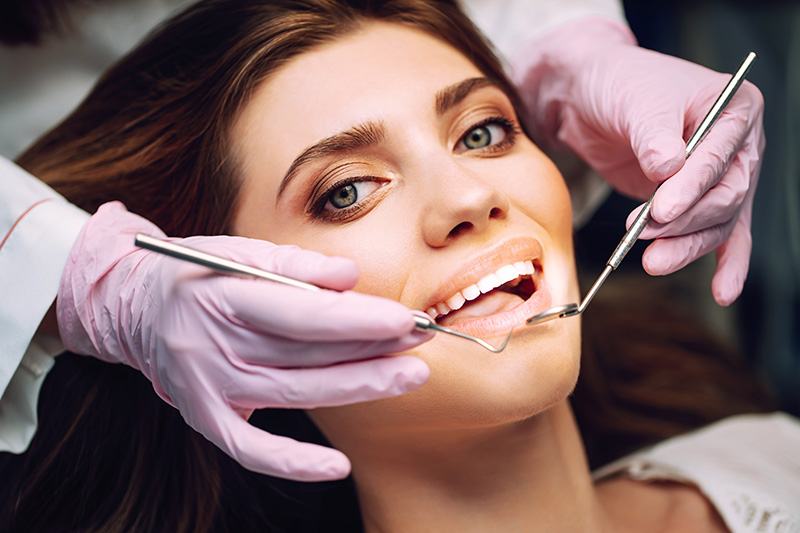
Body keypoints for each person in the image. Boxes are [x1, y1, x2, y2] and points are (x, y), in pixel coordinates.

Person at [1, 1, 795, 531]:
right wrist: (81, 276)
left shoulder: (775, 457)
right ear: (226, 321)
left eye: (483, 132)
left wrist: (568, 44)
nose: (469, 198)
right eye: (346, 191)